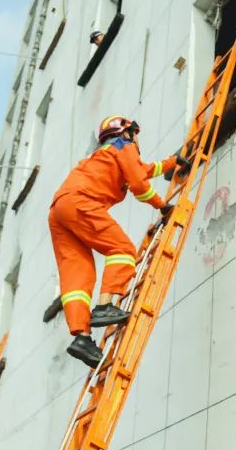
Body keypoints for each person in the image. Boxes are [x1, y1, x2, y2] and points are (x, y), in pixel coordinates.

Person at [49, 116, 189, 367]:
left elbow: (142, 170)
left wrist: (171, 162)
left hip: (59, 209)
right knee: (122, 249)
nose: (137, 140)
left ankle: (82, 337)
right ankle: (105, 307)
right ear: (127, 133)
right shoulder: (124, 147)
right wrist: (163, 206)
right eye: (135, 134)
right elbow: (138, 184)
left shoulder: (106, 155)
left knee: (77, 275)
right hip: (81, 201)